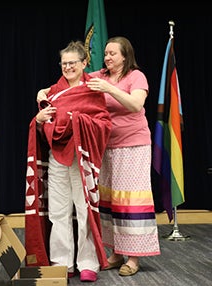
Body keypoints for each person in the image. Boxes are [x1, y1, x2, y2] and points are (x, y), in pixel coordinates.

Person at [38, 36, 161, 277]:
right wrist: (42, 92)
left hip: (133, 145)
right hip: (101, 147)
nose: (107, 57)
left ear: (125, 56)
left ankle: (133, 258)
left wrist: (109, 89)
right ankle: (115, 252)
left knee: (130, 201)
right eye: (105, 53)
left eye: (112, 53)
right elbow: (70, 81)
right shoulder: (98, 76)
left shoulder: (135, 76)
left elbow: (136, 105)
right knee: (108, 202)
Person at [25, 40, 112, 282]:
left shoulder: (93, 90)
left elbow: (105, 125)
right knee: (58, 211)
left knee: (84, 212)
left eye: (72, 63)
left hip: (82, 158)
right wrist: (39, 120)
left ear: (84, 63)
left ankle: (88, 263)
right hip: (57, 157)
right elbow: (43, 131)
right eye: (64, 64)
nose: (68, 67)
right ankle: (61, 262)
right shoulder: (51, 92)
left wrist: (79, 121)